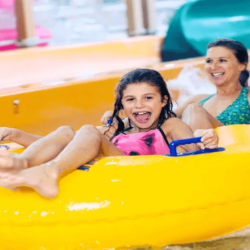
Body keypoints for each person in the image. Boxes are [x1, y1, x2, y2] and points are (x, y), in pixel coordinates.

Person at [0, 69, 218, 198]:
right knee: (67, 131)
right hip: (109, 172)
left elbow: (196, 152)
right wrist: (16, 135)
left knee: (89, 131)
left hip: (139, 177)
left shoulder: (170, 125)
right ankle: (21, 163)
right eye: (130, 99)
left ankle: (50, 173)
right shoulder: (120, 126)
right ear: (121, 104)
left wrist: (207, 140)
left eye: (148, 98)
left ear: (163, 101)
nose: (139, 106)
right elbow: (66, 144)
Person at [101, 39, 250, 131]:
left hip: (231, 156)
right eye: (209, 61)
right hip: (190, 155)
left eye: (222, 60)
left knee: (195, 110)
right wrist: (119, 120)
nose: (214, 66)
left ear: (242, 65)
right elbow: (157, 120)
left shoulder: (247, 97)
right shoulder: (198, 99)